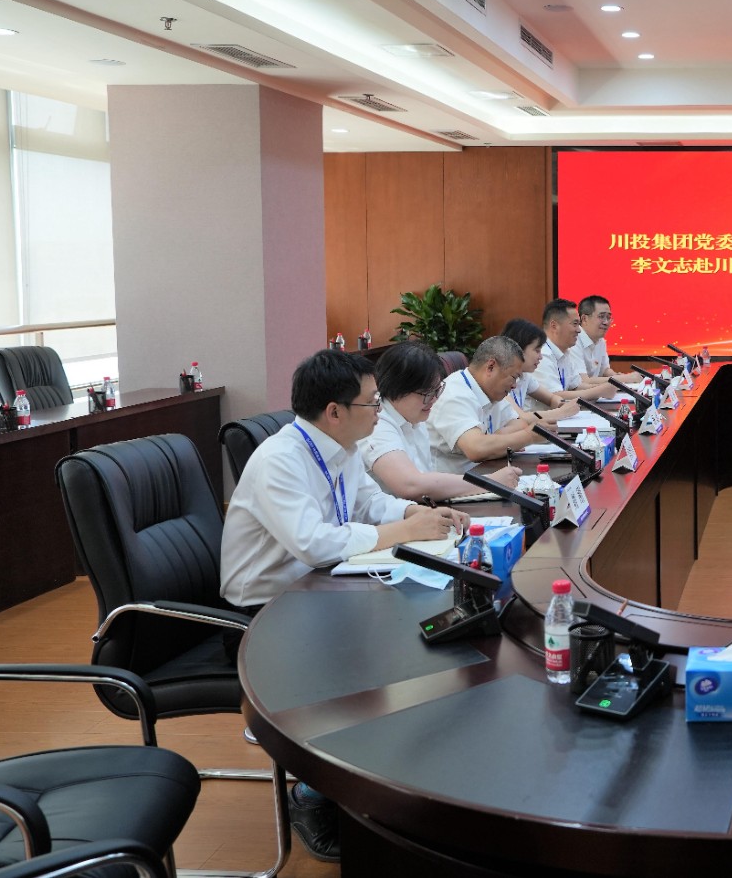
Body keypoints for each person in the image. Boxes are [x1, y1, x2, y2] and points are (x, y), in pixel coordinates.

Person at [219, 348, 469, 863]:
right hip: (264, 613)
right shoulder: (280, 460)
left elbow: (367, 506)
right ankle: (313, 793)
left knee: (417, 631)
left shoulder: (343, 447)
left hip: (318, 590)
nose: (379, 411)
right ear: (334, 411)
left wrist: (416, 514)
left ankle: (396, 779)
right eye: (372, 402)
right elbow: (312, 542)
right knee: (381, 659)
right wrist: (403, 532)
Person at [362, 341, 522, 500]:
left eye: (437, 390)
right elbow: (410, 485)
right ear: (397, 387)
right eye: (427, 394)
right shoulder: (376, 423)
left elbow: (425, 477)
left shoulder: (414, 417)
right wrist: (489, 482)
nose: (434, 400)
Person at [426, 335, 554, 472]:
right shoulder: (454, 395)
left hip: (486, 474)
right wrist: (529, 436)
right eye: (513, 377)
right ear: (491, 367)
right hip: (457, 481)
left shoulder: (490, 391)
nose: (514, 386)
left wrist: (491, 441)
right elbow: (476, 449)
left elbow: (519, 424)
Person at [503, 318, 585, 420]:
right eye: (537, 351)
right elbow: (521, 418)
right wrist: (562, 412)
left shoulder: (525, 376)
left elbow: (551, 398)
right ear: (519, 349)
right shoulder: (499, 380)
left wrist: (563, 404)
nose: (541, 357)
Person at [535, 298, 611, 401]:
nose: (579, 330)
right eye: (575, 324)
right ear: (554, 326)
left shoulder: (565, 352)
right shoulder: (542, 355)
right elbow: (555, 396)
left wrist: (606, 387)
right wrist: (599, 391)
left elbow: (576, 386)